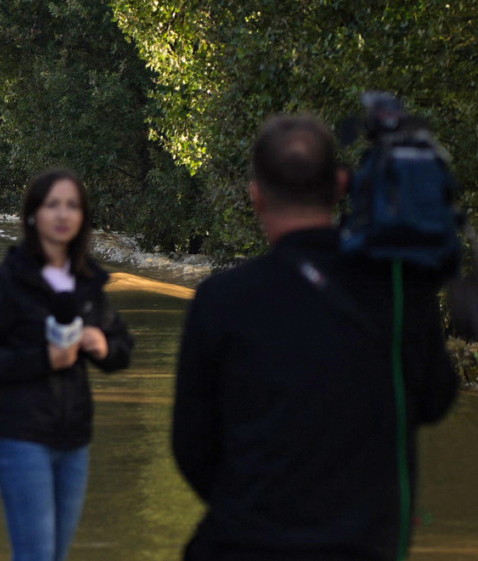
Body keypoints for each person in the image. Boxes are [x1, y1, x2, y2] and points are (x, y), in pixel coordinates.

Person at [172, 115, 459, 560]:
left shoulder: (221, 300)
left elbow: (191, 445)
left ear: (256, 197)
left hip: (243, 542)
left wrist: (254, 509)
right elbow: (435, 399)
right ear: (341, 184)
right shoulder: (396, 292)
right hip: (361, 545)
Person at [0, 168, 133, 561]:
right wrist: (43, 359)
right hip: (18, 436)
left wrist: (103, 345)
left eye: (72, 205)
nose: (63, 214)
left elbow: (122, 347)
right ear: (33, 214)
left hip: (74, 440)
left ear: (83, 217)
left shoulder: (88, 284)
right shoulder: (8, 282)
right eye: (52, 204)